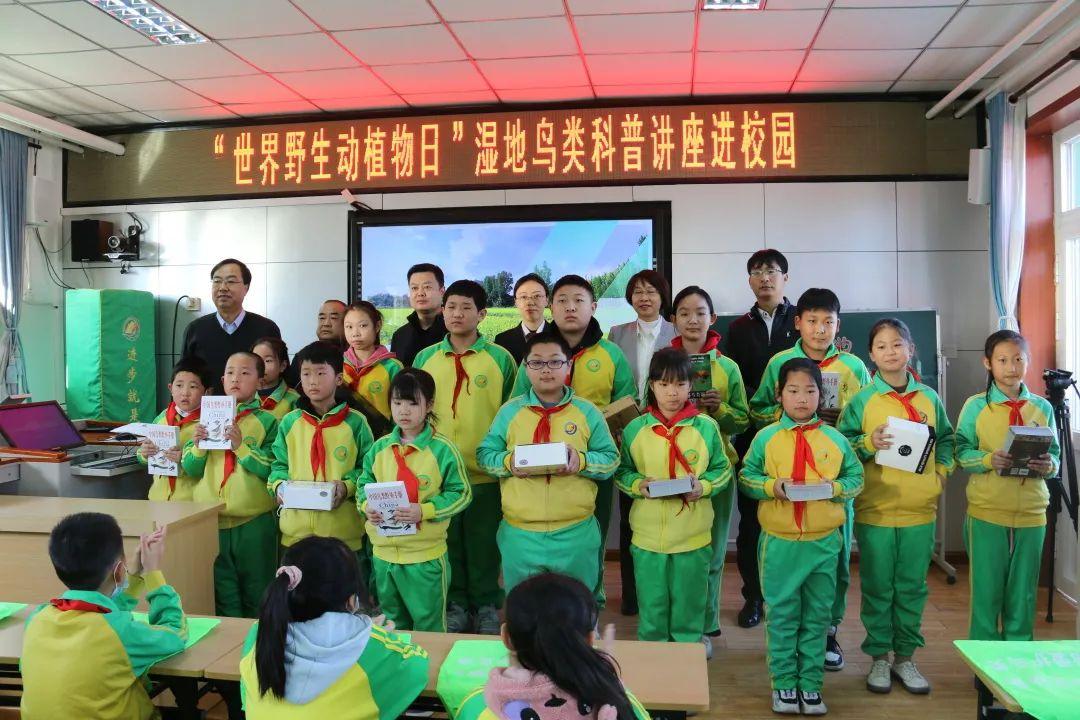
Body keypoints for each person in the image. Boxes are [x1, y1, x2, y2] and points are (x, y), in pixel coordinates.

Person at [749, 287, 871, 670]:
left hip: (832, 478)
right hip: (787, 476)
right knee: (785, 570)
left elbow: (867, 420)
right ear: (798, 322)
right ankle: (787, 640)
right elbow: (758, 409)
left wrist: (835, 424)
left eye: (828, 322)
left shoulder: (853, 366)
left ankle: (828, 631)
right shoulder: (780, 362)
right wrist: (795, 415)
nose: (820, 329)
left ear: (838, 324)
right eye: (812, 321)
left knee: (835, 561)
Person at [837, 319, 955, 694]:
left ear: (911, 349)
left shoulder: (929, 398)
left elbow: (947, 440)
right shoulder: (862, 401)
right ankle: (878, 658)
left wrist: (940, 475)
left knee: (911, 587)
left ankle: (905, 657)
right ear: (871, 355)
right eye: (882, 346)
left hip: (920, 512)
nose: (890, 351)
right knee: (877, 588)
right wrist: (867, 443)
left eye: (897, 344)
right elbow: (839, 448)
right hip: (876, 511)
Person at [739, 358, 864, 715]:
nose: (802, 398)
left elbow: (856, 479)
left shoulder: (835, 439)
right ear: (779, 394)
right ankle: (783, 683)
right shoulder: (766, 438)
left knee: (817, 617)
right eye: (793, 391)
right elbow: (746, 477)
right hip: (779, 543)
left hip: (824, 543)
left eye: (810, 391)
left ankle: (810, 685)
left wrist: (834, 488)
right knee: (781, 616)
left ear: (821, 395)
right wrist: (771, 486)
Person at [513, 274, 635, 609]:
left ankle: (588, 602)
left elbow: (627, 404)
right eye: (562, 301)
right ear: (551, 307)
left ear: (593, 307)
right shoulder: (535, 353)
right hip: (538, 462)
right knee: (538, 534)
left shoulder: (611, 354)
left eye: (578, 301)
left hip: (593, 461)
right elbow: (515, 406)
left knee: (592, 534)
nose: (570, 307)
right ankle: (541, 605)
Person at [477, 333, 619, 595]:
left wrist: (581, 460)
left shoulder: (588, 412)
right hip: (520, 533)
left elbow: (611, 459)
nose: (546, 370)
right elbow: (485, 455)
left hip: (575, 532)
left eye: (555, 362)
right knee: (525, 606)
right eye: (536, 362)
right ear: (526, 367)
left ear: (568, 366)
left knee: (577, 605)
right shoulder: (509, 412)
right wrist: (509, 462)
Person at [414, 279, 517, 634]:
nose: (457, 314)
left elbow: (512, 414)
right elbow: (416, 412)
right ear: (442, 311)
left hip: (486, 472)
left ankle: (486, 605)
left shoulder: (500, 359)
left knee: (484, 543)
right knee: (448, 542)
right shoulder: (425, 358)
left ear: (482, 314)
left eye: (466, 307)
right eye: (451, 307)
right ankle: (456, 603)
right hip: (439, 473)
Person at [615, 348, 731, 657]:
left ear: (691, 385)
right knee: (652, 609)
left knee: (688, 609)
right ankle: (656, 668)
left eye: (680, 384)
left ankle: (686, 666)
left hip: (692, 538)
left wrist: (703, 486)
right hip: (647, 539)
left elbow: (722, 470)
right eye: (664, 384)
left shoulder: (706, 427)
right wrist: (638, 485)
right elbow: (622, 472)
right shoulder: (635, 429)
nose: (672, 392)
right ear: (652, 385)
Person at [239, 536, 430, 718]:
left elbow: (246, 698)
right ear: (351, 601)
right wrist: (370, 633)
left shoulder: (260, 633)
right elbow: (417, 664)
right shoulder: (368, 647)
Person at [21, 514, 187, 720]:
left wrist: (134, 577)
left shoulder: (37, 619)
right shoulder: (120, 633)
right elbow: (175, 632)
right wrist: (153, 573)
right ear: (118, 571)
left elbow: (98, 611)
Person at [957, 330, 1060, 642]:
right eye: (1002, 360)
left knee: (1024, 593)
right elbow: (961, 452)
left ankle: (1018, 655)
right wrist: (988, 459)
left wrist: (1049, 466)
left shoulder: (1043, 407)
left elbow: (1055, 455)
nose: (1012, 367)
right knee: (986, 591)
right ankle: (984, 660)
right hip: (987, 511)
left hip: (1032, 512)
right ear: (988, 363)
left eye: (1018, 359)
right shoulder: (976, 406)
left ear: (1028, 361)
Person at [357, 368, 472, 631]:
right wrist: (366, 506)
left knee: (429, 627)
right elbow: (363, 485)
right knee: (392, 626)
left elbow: (462, 493)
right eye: (397, 403)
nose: (403, 411)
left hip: (425, 557)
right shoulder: (379, 448)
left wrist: (425, 511)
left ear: (429, 405)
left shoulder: (443, 450)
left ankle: (428, 661)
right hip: (384, 556)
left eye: (412, 403)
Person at [455, 573, 650, 720]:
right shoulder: (616, 705)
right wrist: (608, 676)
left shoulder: (477, 706)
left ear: (506, 637)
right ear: (591, 640)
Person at [723, 249, 798, 629]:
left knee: (795, 516)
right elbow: (736, 384)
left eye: (771, 271)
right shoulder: (737, 329)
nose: (765, 278)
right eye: (757, 272)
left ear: (785, 277)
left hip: (799, 437)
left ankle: (790, 597)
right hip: (753, 437)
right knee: (751, 521)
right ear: (749, 280)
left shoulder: (802, 321)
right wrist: (764, 403)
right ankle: (753, 596)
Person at [669, 286, 749, 639]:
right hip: (670, 468)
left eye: (700, 312)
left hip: (717, 470)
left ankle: (707, 621)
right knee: (675, 549)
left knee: (714, 550)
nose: (693, 320)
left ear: (712, 318)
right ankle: (678, 620)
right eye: (684, 313)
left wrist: (720, 409)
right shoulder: (664, 364)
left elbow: (743, 421)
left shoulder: (727, 367)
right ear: (673, 320)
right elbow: (648, 411)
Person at [184, 351, 278, 617]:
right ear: (222, 380)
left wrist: (241, 447)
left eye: (245, 373)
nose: (236, 378)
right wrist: (198, 446)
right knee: (222, 596)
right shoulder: (204, 419)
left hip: (254, 522)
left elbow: (272, 468)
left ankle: (257, 642)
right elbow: (190, 469)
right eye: (230, 372)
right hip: (211, 520)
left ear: (260, 381)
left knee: (258, 593)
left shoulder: (268, 421)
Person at [607, 270, 675, 616]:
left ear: (663, 297)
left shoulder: (677, 333)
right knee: (631, 512)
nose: (644, 298)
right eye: (637, 292)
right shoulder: (616, 333)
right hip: (631, 432)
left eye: (651, 291)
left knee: (666, 507)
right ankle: (632, 596)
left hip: (669, 430)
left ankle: (666, 593)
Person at [269, 341, 373, 563]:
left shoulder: (356, 423)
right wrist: (278, 486)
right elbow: (278, 465)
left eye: (320, 373)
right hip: (295, 533)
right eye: (306, 374)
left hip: (342, 533)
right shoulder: (289, 422)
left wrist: (346, 487)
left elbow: (369, 470)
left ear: (338, 378)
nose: (312, 381)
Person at [181, 258, 281, 383]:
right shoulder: (195, 329)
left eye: (231, 281)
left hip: (256, 397)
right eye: (217, 281)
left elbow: (281, 376)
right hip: (209, 397)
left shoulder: (266, 328)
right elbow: (182, 377)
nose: (222, 287)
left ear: (246, 288)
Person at [138, 356, 213, 502]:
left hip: (191, 501)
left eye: (193, 387)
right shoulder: (161, 418)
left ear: (207, 392)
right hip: (157, 499)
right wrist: (144, 454)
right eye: (179, 385)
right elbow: (142, 455)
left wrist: (183, 459)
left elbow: (211, 466)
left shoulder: (207, 424)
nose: (185, 393)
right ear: (170, 388)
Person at [343, 301, 403, 422]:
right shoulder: (337, 365)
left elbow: (402, 408)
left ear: (377, 326)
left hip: (383, 433)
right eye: (349, 327)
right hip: (346, 432)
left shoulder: (393, 367)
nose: (355, 333)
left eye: (363, 326)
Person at [391, 263, 447, 367]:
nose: (420, 293)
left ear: (442, 291)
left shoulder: (455, 331)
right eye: (414, 288)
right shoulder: (399, 336)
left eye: (427, 287)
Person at [494, 273, 551, 364]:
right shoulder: (501, 341)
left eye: (537, 296)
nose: (530, 302)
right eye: (523, 297)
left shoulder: (561, 337)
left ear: (547, 300)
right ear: (516, 302)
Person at [251, 337, 300, 421]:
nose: (261, 366)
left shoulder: (294, 399)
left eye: (268, 360)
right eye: (256, 360)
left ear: (282, 366)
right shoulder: (244, 396)